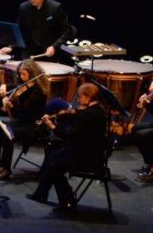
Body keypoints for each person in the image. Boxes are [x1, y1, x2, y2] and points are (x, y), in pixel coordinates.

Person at [27, 82, 107, 211]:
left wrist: (53, 126)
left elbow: (70, 134)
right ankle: (41, 193)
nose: (78, 100)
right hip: (90, 153)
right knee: (52, 155)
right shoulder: (98, 111)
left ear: (88, 97)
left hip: (88, 158)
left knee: (54, 166)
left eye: (80, 97)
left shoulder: (88, 114)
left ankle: (68, 201)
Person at [0, 59, 49, 180]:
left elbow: (24, 112)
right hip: (23, 121)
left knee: (7, 134)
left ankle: (6, 168)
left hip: (34, 125)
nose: (21, 77)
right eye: (20, 74)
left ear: (32, 74)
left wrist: (11, 105)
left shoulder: (38, 92)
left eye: (24, 74)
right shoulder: (25, 85)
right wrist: (4, 86)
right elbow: (14, 87)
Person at [1, 0, 73, 63]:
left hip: (50, 52)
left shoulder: (55, 8)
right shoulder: (24, 8)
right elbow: (19, 31)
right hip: (29, 52)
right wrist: (11, 47)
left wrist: (54, 46)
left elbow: (67, 31)